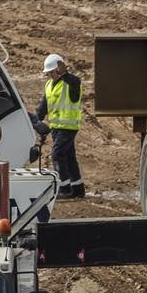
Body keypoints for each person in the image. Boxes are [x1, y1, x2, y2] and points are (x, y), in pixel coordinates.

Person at [35, 53, 85, 198]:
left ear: (59, 70)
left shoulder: (71, 83)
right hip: (56, 128)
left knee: (57, 154)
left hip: (68, 127)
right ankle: (77, 189)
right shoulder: (49, 85)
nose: (49, 76)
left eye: (51, 72)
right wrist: (34, 120)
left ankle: (64, 189)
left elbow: (76, 81)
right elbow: (43, 106)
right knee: (69, 157)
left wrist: (65, 73)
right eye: (48, 73)